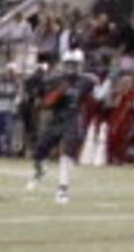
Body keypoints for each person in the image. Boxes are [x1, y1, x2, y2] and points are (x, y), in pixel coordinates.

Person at [25, 47, 90, 203]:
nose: (71, 68)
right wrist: (53, 92)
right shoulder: (55, 80)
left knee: (66, 152)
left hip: (72, 119)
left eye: (74, 65)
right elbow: (42, 100)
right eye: (68, 64)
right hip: (56, 118)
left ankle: (63, 189)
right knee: (39, 150)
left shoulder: (87, 81)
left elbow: (98, 95)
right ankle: (40, 171)